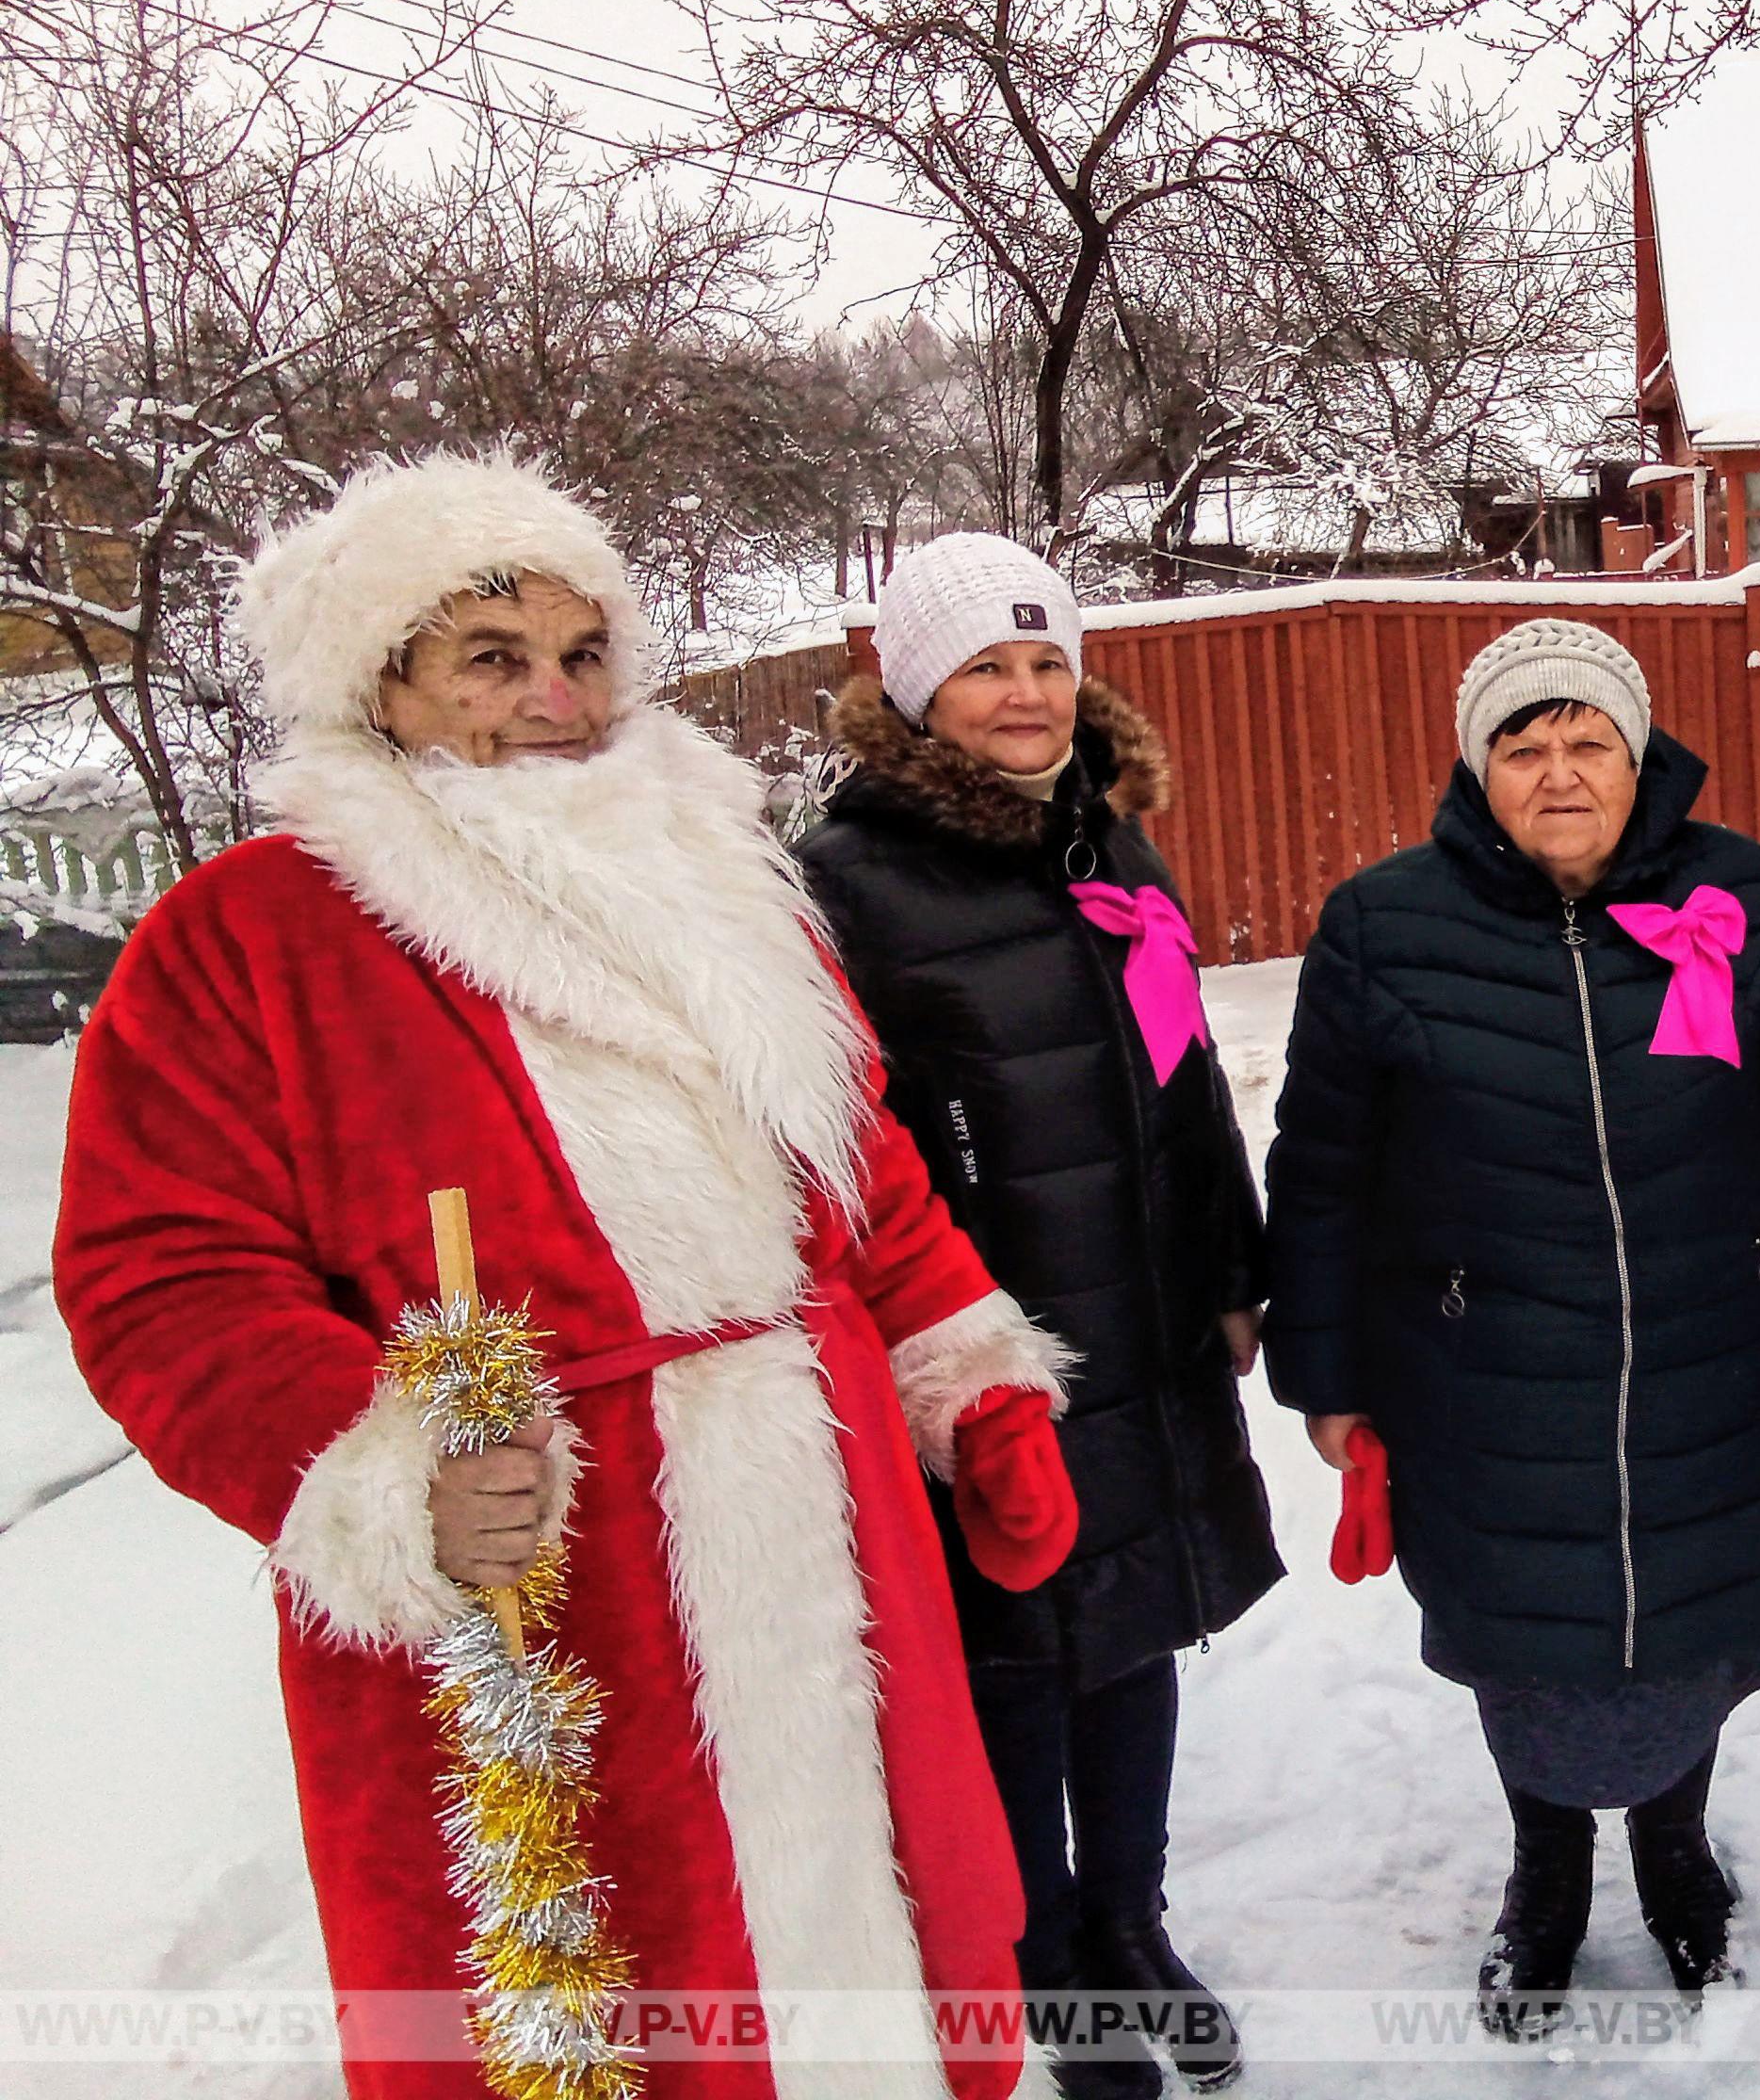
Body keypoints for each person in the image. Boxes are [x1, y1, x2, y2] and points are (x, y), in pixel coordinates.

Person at [54, 455, 1078, 2100]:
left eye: (583, 651)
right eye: (491, 658)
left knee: (870, 1945)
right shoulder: (252, 933)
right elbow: (159, 1274)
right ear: (380, 688)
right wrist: (372, 1465)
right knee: (617, 1992)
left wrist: (966, 1372)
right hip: (547, 1564)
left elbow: (859, 1163)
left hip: (827, 1520)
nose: (554, 698)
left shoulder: (730, 884)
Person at [1257, 618, 1760, 2035]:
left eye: (1587, 741)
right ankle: (1545, 1869)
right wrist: (1327, 1373)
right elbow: (1322, 1170)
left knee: (1691, 1612)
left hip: (1709, 1345)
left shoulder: (1741, 893)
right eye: (1523, 745)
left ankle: (1675, 1852)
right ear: (1477, 769)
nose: (1559, 773)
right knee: (1521, 1625)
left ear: (1639, 755)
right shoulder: (1385, 924)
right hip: (1481, 1372)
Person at [799, 534, 1282, 2099]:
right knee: (1016, 1668)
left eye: (1046, 659)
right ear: (920, 694)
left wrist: (1229, 1268)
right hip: (985, 1359)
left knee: (1133, 1637)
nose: (1026, 693)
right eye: (988, 668)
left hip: (1142, 1326)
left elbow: (1183, 1081)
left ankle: (1135, 1924)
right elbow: (845, 1155)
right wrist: (937, 1356)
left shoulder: (1110, 852)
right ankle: (1054, 1972)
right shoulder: (844, 886)